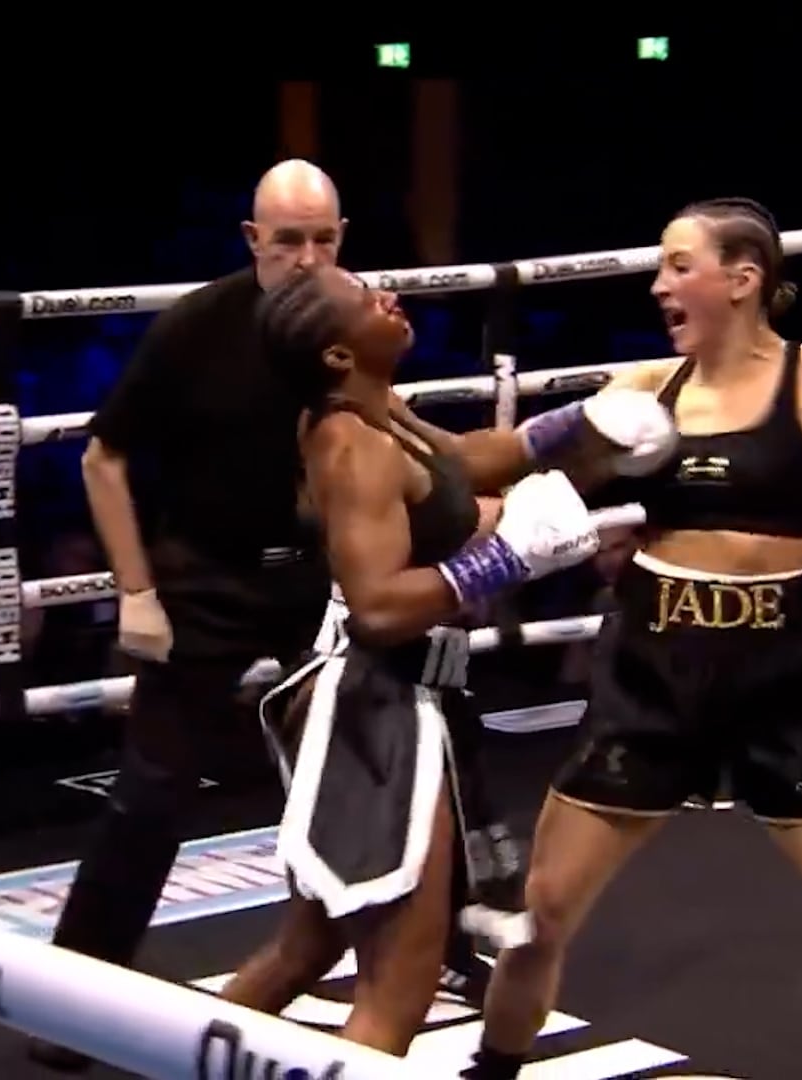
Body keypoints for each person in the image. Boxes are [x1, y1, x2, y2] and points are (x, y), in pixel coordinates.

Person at [463, 199, 802, 1080]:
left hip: (786, 679)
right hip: (651, 672)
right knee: (542, 920)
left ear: (743, 279)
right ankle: (492, 1071)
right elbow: (520, 468)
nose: (659, 285)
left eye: (679, 265)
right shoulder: (643, 391)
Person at [30, 160, 468, 1069]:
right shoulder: (198, 325)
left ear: (343, 238)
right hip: (207, 580)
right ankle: (72, 1000)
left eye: (323, 240)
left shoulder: (348, 319)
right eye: (288, 240)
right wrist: (136, 589)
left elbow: (415, 440)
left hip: (320, 581)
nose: (307, 259)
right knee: (151, 794)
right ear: (251, 239)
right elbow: (104, 456)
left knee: (398, 756)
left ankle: (435, 942)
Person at [216, 265, 673, 1053]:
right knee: (401, 983)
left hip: (399, 697)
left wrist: (581, 425)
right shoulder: (349, 443)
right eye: (366, 300)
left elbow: (462, 461)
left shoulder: (380, 411)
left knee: (308, 946)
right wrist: (506, 558)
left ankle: (165, 1053)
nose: (388, 298)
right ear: (336, 354)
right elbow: (379, 607)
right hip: (375, 705)